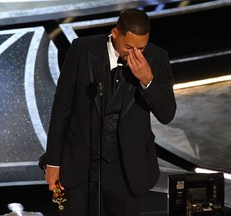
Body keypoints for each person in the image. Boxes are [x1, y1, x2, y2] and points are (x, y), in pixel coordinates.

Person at [44, 8, 176, 216]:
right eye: (129, 47)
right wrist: (53, 161)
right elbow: (62, 107)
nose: (135, 54)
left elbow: (167, 114)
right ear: (115, 33)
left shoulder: (157, 58)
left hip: (126, 171)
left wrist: (147, 80)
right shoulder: (82, 50)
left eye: (141, 47)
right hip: (81, 166)